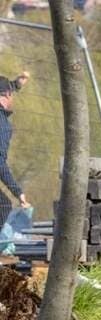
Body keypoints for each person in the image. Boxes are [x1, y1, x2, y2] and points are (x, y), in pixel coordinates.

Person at [0, 72, 32, 233]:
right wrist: (17, 192)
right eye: (10, 95)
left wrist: (15, 85)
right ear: (3, 97)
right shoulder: (2, 125)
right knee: (3, 206)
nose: (12, 99)